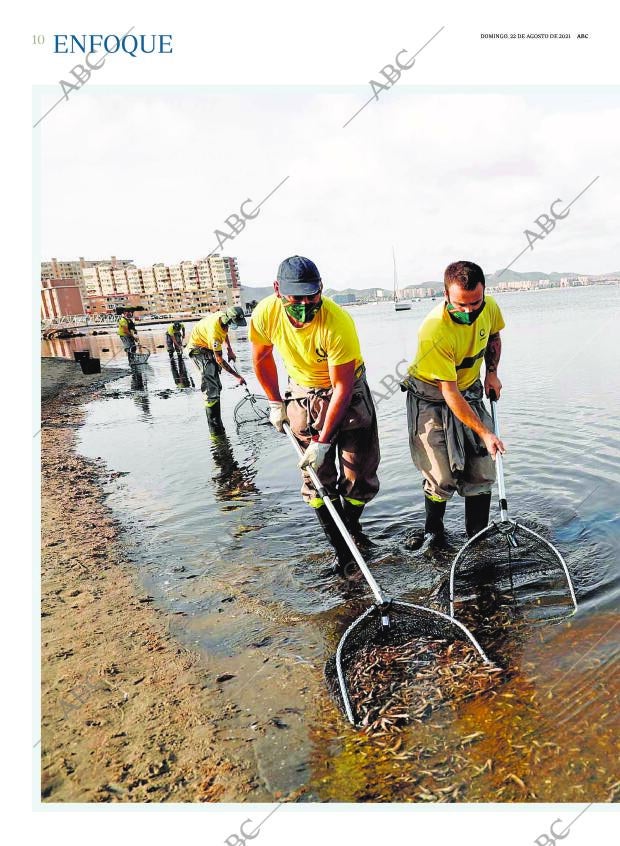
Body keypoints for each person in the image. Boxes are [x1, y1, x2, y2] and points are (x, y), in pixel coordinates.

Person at [250, 255, 380, 576]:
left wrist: (323, 441)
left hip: (347, 393)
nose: (306, 305)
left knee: (358, 474)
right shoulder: (266, 313)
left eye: (313, 296)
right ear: (278, 290)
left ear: (321, 288)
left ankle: (350, 529)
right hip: (303, 393)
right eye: (297, 298)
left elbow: (342, 388)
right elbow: (262, 358)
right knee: (316, 478)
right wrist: (275, 402)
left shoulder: (338, 323)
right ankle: (342, 552)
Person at [402, 260, 506, 549]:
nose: (470, 311)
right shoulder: (434, 330)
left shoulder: (490, 307)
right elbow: (450, 395)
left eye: (476, 303)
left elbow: (494, 336)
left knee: (481, 468)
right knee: (441, 475)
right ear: (446, 296)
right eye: (461, 305)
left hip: (468, 388)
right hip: (431, 395)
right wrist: (486, 432)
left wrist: (492, 373)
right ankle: (434, 534)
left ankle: (478, 540)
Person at [186, 306, 247, 431]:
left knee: (217, 385)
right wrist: (238, 377)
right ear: (228, 319)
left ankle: (217, 422)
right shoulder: (214, 333)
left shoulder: (222, 317)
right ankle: (215, 428)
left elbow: (224, 331)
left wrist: (229, 349)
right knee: (210, 386)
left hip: (207, 346)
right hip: (198, 350)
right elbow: (219, 360)